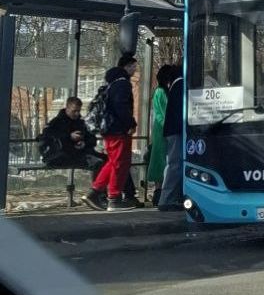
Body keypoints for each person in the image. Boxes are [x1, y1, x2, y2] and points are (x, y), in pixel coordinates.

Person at [82, 54, 139, 212]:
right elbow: (121, 106)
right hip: (118, 129)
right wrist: (131, 123)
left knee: (114, 162)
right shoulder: (123, 84)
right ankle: (113, 198)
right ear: (126, 66)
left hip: (110, 128)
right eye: (133, 66)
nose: (135, 69)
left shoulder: (111, 83)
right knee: (120, 163)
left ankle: (95, 192)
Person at [38, 96, 105, 173]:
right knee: (98, 163)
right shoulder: (57, 122)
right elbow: (48, 135)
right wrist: (69, 137)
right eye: (74, 111)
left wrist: (84, 143)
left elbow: (92, 139)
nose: (77, 114)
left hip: (80, 153)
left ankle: (101, 184)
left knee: (108, 160)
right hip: (62, 155)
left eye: (78, 111)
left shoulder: (81, 122)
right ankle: (98, 184)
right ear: (67, 108)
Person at [146, 65, 175, 204]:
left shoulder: (159, 91)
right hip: (163, 128)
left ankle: (159, 190)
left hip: (160, 128)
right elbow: (163, 112)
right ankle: (159, 190)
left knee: (160, 157)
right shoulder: (161, 92)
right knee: (162, 158)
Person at [158, 64, 185, 212]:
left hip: (171, 131)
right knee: (175, 164)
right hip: (177, 131)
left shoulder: (174, 86)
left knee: (174, 163)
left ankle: (169, 198)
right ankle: (166, 199)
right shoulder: (181, 85)